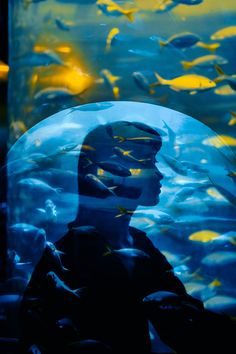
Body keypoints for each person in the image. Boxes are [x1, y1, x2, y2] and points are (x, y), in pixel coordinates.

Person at [19, 121, 234, 354]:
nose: (160, 173)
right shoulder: (70, 250)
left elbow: (180, 321)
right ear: (103, 171)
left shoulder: (137, 242)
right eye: (148, 161)